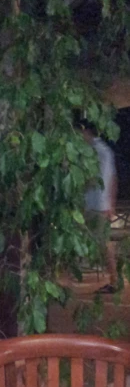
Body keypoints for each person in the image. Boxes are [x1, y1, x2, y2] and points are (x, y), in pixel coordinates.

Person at [81, 125, 118, 294]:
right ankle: (113, 280)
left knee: (103, 244)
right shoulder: (105, 150)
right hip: (99, 205)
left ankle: (114, 281)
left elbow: (91, 179)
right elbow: (113, 178)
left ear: (86, 131)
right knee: (103, 243)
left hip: (94, 205)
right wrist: (111, 203)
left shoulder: (95, 151)